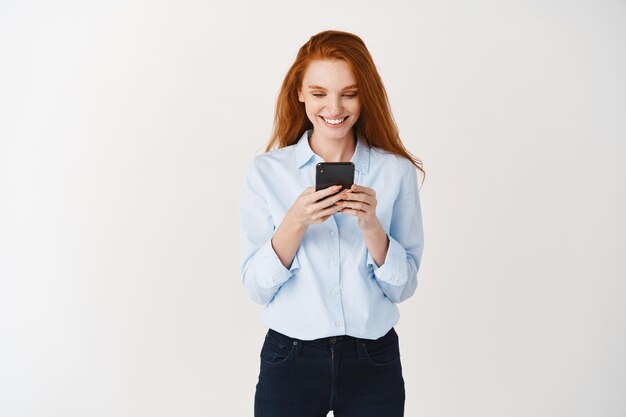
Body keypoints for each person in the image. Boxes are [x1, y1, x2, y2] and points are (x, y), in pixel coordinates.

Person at [238, 29, 425, 417]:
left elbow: (403, 287)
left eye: (349, 93)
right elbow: (255, 288)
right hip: (290, 357)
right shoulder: (266, 173)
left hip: (373, 361)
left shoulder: (395, 172)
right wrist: (295, 222)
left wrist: (372, 227)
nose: (334, 108)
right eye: (320, 93)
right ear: (300, 93)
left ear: (365, 95)